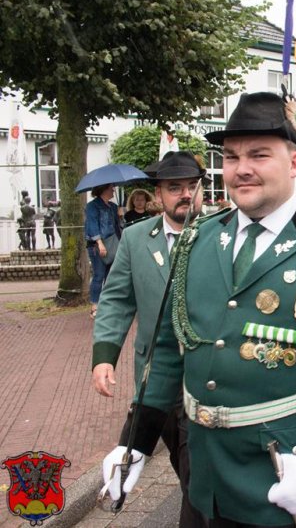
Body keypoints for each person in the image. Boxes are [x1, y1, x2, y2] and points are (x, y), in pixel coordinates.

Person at [100, 92, 296, 527]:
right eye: (232, 157)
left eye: (259, 154)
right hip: (203, 477)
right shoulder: (197, 241)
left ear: (294, 163)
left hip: (284, 479)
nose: (242, 168)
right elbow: (169, 350)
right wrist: (135, 443)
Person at [92, 151, 206, 526]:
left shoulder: (222, 235)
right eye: (175, 187)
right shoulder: (137, 238)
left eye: (192, 186)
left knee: (198, 476)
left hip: (208, 381)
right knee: (182, 462)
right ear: (158, 195)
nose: (185, 194)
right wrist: (104, 356)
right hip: (157, 381)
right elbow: (116, 300)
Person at [85, 184, 122, 318]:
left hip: (112, 245)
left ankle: (107, 305)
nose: (113, 190)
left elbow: (118, 227)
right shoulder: (92, 206)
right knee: (99, 275)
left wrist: (120, 216)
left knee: (110, 277)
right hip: (97, 246)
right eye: (111, 188)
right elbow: (92, 225)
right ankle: (95, 306)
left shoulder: (113, 207)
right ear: (104, 189)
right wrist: (99, 243)